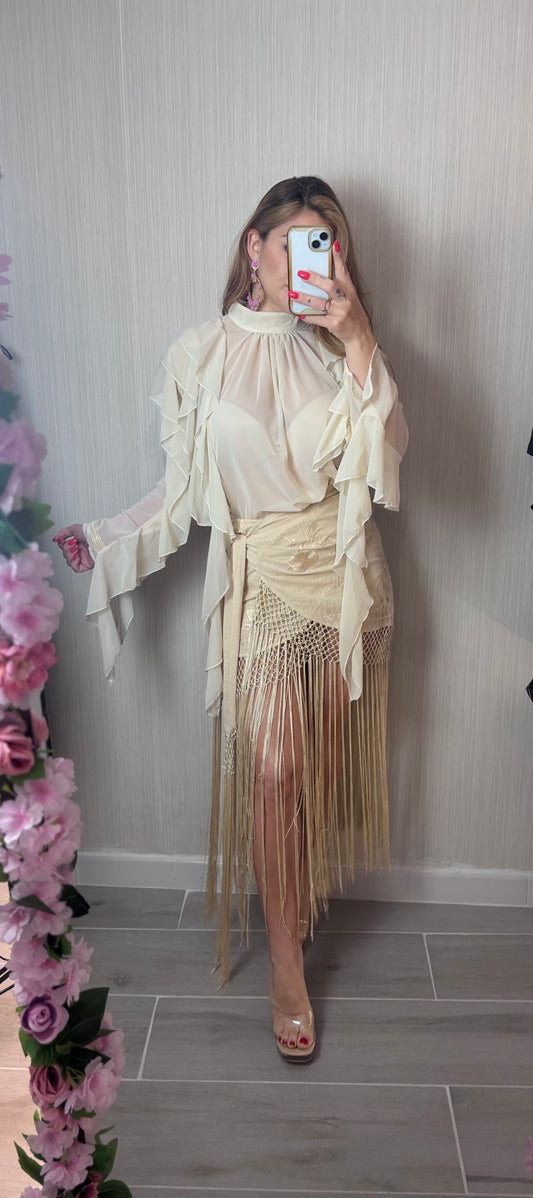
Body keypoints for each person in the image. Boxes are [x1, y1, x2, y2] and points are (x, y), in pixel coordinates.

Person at [54, 176, 408, 1064]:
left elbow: (385, 455)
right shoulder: (200, 355)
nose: (310, 259)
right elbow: (180, 493)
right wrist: (111, 536)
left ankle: (295, 900)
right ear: (254, 246)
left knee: (310, 770)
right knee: (274, 771)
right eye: (295, 241)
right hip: (260, 578)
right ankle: (285, 963)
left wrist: (358, 337)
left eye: (326, 244)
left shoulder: (337, 349)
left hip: (343, 577)